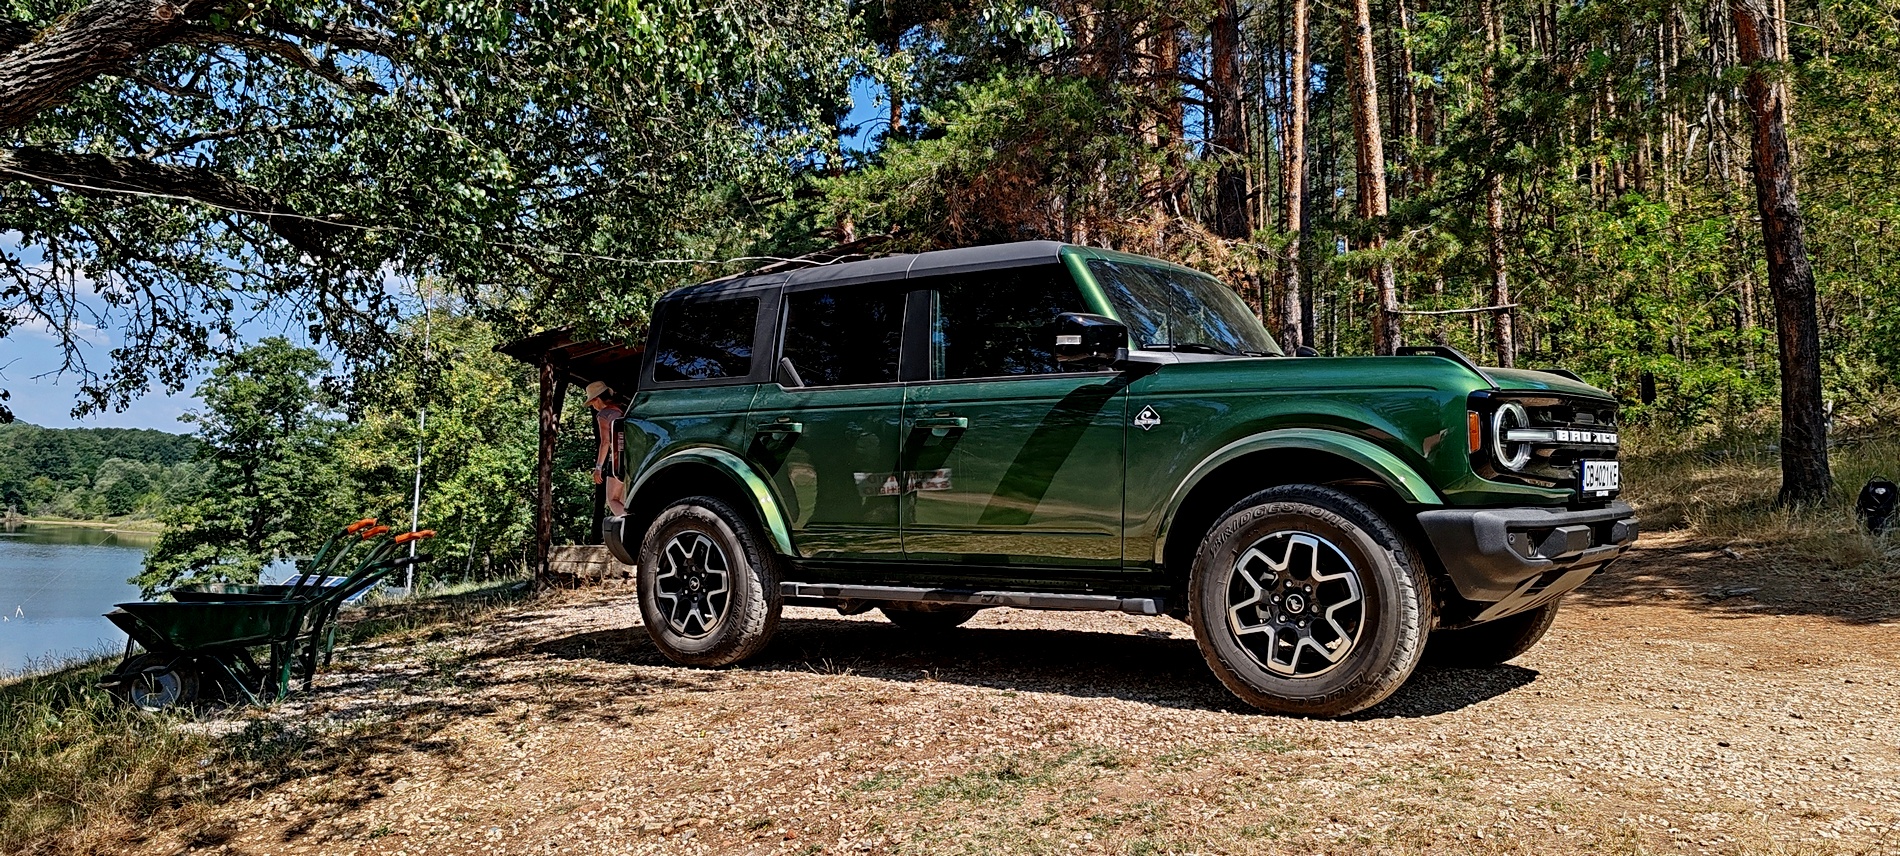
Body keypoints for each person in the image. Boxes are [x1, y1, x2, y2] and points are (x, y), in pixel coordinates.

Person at [585, 381, 628, 517]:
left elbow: (605, 442)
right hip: (631, 457)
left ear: (597, 399)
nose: (593, 406)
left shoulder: (604, 414)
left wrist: (598, 467)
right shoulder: (622, 410)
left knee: (612, 499)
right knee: (623, 500)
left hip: (616, 459)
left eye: (592, 403)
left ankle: (633, 528)